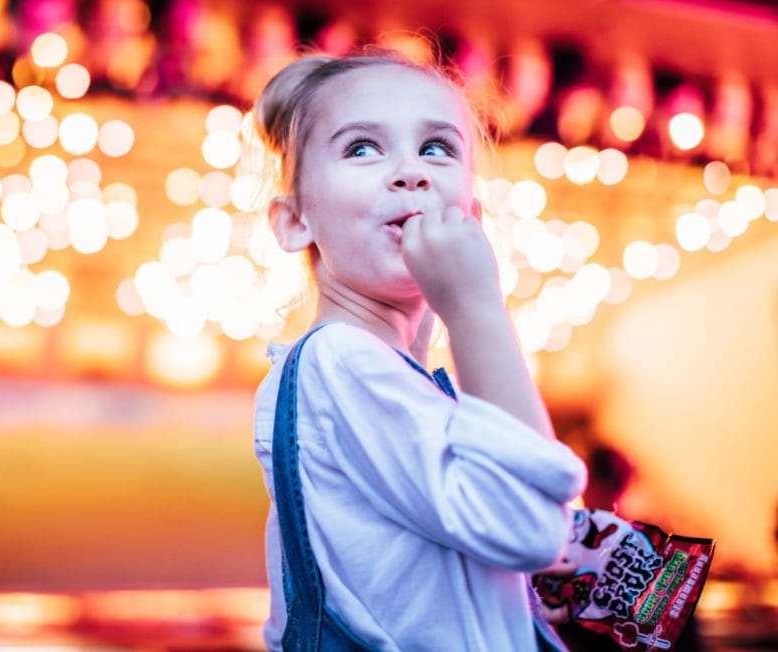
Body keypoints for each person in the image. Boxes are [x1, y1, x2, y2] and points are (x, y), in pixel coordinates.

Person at [250, 47, 588, 651]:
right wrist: (477, 305)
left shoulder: (399, 378)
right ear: (295, 220)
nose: (411, 172)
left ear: (472, 215)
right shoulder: (338, 361)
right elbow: (529, 525)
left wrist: (507, 595)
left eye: (437, 148)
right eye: (361, 148)